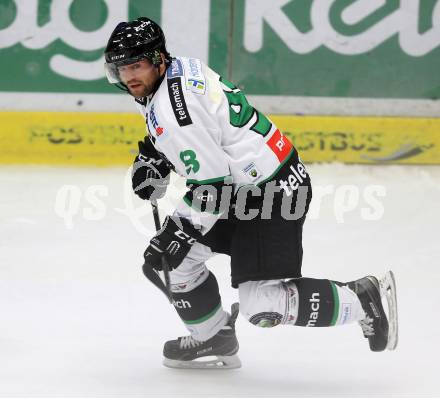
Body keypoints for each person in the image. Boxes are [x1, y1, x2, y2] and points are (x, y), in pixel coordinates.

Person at [104, 17, 398, 369]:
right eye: (121, 69)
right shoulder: (176, 70)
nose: (129, 77)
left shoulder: (173, 112)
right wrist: (156, 153)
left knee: (260, 305)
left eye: (136, 66)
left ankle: (363, 298)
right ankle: (213, 337)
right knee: (174, 262)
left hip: (270, 194)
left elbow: (211, 186)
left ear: (158, 59)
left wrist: (179, 228)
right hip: (248, 184)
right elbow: (208, 132)